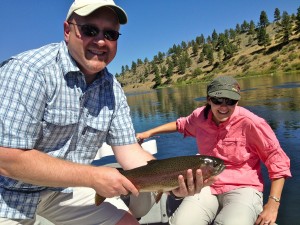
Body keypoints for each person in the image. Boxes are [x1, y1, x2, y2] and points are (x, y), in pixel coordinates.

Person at [0, 0, 213, 224]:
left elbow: (130, 152)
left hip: (65, 189)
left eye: (110, 34)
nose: (101, 40)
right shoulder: (28, 72)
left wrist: (173, 185)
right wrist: (92, 176)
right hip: (7, 191)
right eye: (89, 30)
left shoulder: (112, 89)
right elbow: (6, 159)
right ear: (67, 31)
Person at [137, 76, 291, 225]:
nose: (224, 107)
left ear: (237, 101)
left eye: (230, 101)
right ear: (208, 100)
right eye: (218, 101)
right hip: (205, 185)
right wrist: (148, 133)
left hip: (243, 187)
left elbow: (277, 162)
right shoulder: (200, 117)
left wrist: (273, 204)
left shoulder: (252, 123)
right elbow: (180, 125)